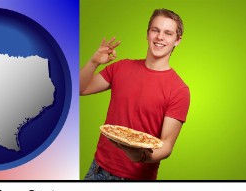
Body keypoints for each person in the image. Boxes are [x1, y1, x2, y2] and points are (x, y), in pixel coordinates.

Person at [80, 8, 190, 180]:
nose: (160, 37)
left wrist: (140, 156)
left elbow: (167, 145)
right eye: (155, 30)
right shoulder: (121, 67)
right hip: (98, 169)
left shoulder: (179, 90)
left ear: (177, 40)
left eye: (168, 33)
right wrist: (94, 61)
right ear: (147, 34)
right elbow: (81, 88)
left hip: (136, 178)